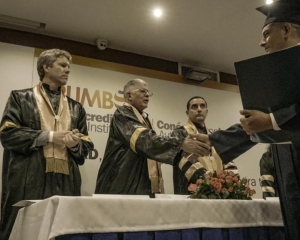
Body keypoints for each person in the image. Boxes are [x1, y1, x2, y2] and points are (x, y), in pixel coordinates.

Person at [195, 0, 300, 240]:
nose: (261, 42)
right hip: (287, 164)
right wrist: (214, 140)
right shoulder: (278, 75)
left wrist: (271, 120)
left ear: (286, 29)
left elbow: (268, 120)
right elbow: (256, 122)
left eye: (266, 33)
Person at [0, 49, 94, 240]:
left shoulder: (77, 107)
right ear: (46, 66)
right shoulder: (20, 97)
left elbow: (86, 144)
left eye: (69, 67)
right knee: (23, 231)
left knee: (63, 231)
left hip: (66, 181)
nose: (68, 70)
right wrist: (50, 136)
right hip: (29, 176)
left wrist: (74, 144)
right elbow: (8, 133)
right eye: (63, 65)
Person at [95, 79, 210, 196]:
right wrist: (180, 143)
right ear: (129, 96)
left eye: (148, 92)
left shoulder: (144, 119)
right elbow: (144, 140)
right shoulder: (122, 114)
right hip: (121, 184)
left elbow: (154, 148)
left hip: (137, 184)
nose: (147, 95)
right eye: (142, 91)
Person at [172, 96, 238, 194]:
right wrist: (211, 182)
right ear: (187, 113)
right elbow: (186, 160)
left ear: (207, 111)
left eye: (202, 106)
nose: (199, 109)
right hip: (191, 192)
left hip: (218, 192)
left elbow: (227, 159)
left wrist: (230, 182)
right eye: (194, 107)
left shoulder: (213, 137)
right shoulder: (180, 133)